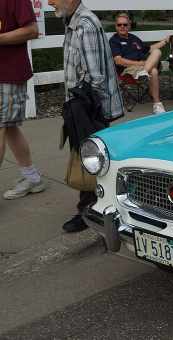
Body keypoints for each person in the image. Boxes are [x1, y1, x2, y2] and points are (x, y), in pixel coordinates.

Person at [48, 0, 124, 232]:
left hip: (90, 107)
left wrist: (82, 110)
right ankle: (97, 208)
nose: (50, 2)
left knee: (91, 160)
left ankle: (90, 212)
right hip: (83, 105)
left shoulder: (85, 24)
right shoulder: (73, 21)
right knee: (92, 159)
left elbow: (96, 78)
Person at [0, 0, 46, 200]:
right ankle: (32, 178)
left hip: (9, 73)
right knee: (9, 127)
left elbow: (31, 31)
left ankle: (32, 178)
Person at [109, 12, 167, 114]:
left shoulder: (134, 38)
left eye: (125, 24)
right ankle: (157, 104)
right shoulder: (114, 40)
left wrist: (165, 41)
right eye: (119, 25)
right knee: (153, 70)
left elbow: (149, 49)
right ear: (116, 26)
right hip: (127, 70)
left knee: (157, 53)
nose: (122, 27)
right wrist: (140, 64)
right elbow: (118, 60)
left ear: (129, 26)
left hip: (142, 68)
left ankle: (144, 74)